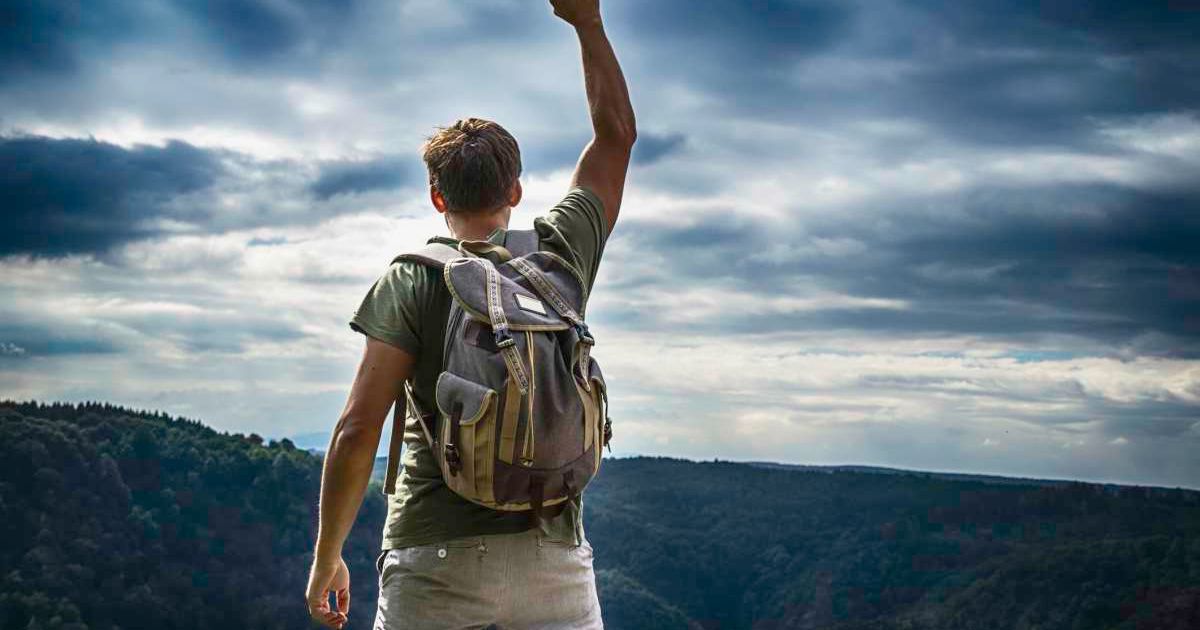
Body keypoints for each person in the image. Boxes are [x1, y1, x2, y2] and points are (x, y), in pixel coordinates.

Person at [304, 1, 635, 627]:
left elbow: (357, 429)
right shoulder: (561, 257)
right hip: (552, 559)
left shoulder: (413, 277)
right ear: (515, 190)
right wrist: (587, 23)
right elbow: (616, 136)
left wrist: (328, 557)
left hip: (433, 556)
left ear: (436, 197)